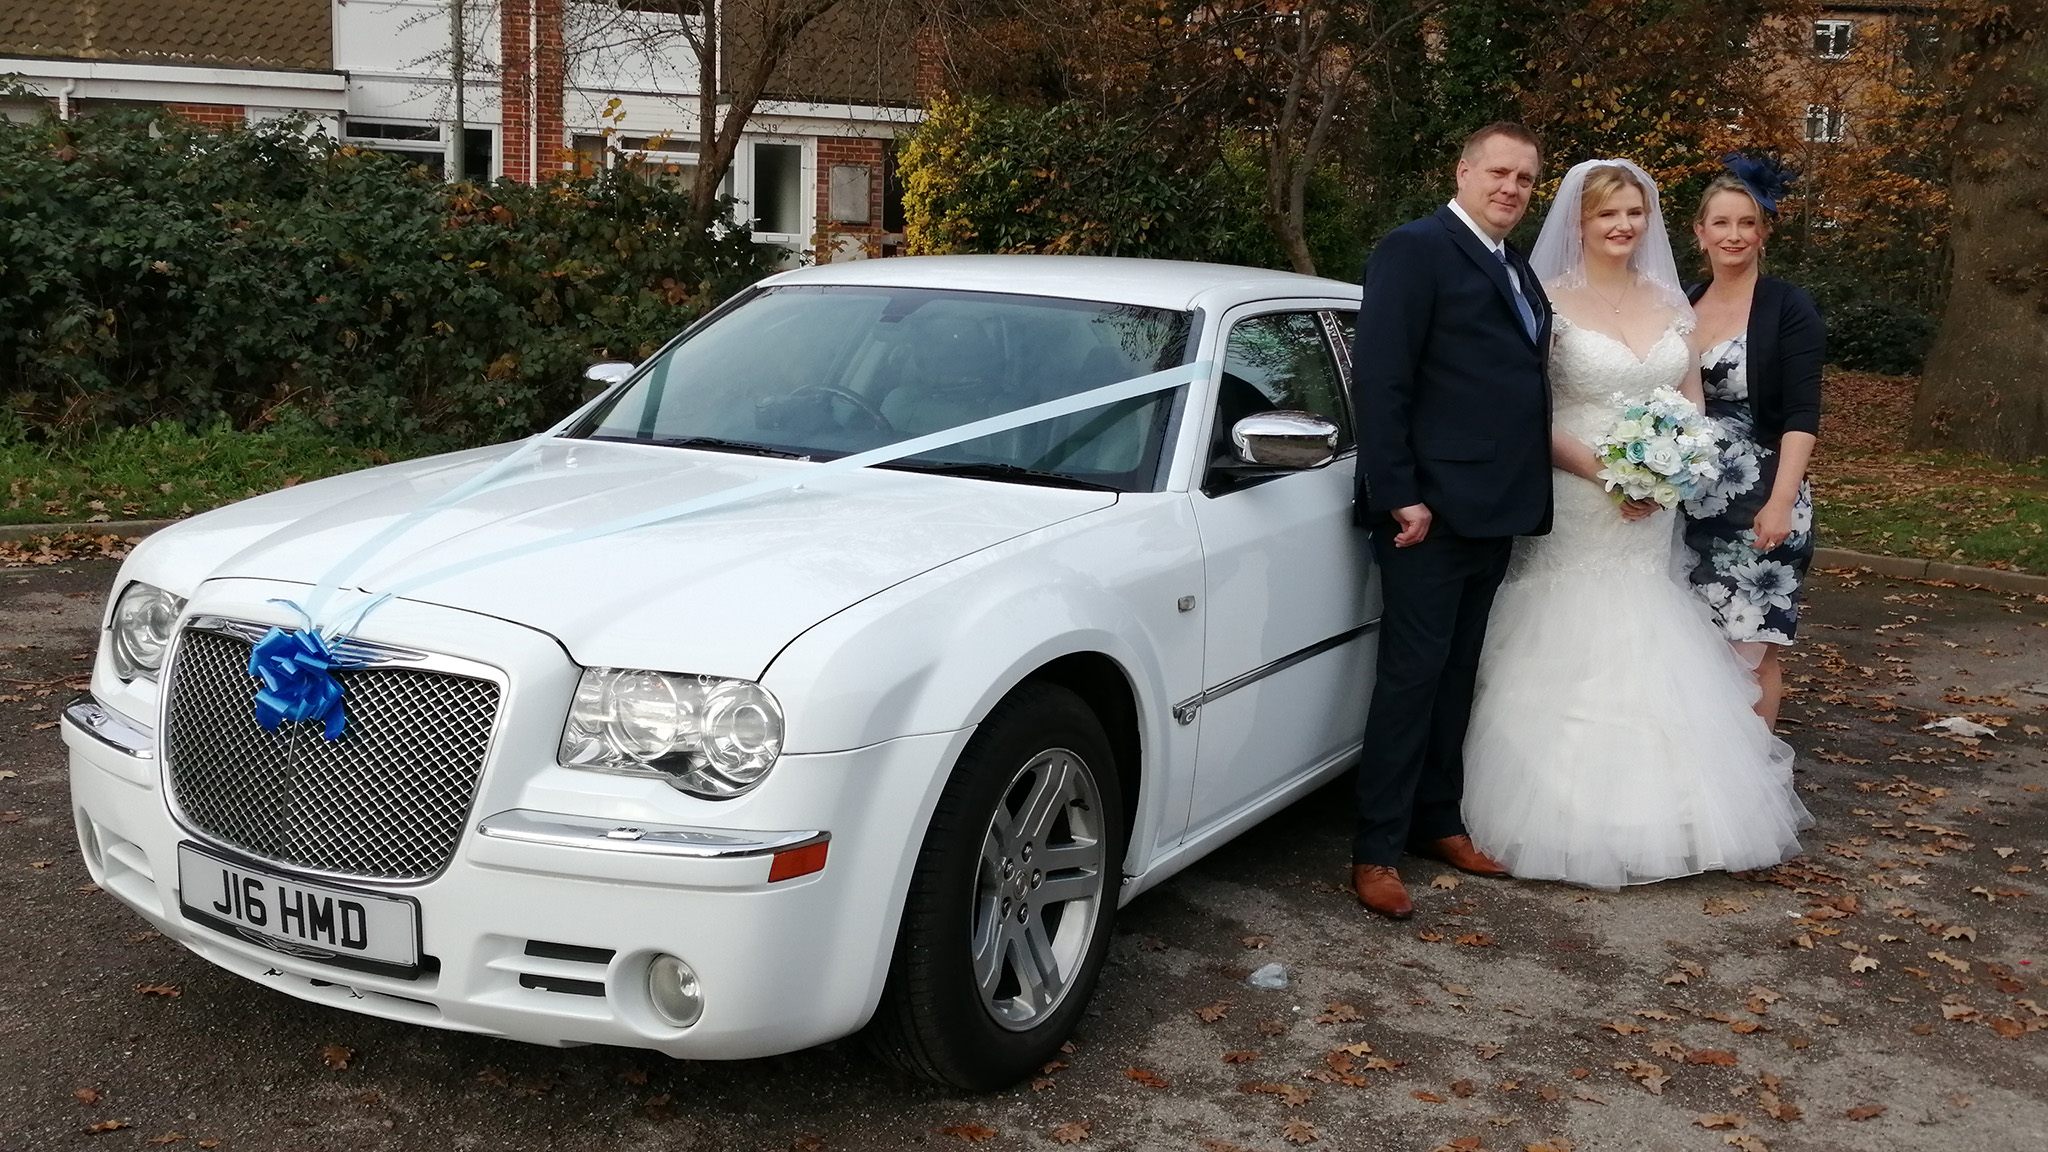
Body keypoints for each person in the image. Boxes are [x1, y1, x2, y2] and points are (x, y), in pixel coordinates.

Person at [1459, 159, 1811, 890]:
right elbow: (1533, 410)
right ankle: (1557, 813)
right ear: (1580, 223)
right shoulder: (1545, 300)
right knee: (1569, 632)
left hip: (1652, 512)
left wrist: (1671, 470)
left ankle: (1670, 814)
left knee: (1649, 631)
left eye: (1634, 213)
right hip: (1577, 495)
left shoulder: (1671, 304)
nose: (1622, 226)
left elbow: (1693, 408)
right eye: (1606, 214)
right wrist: (1607, 472)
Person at [1347, 123, 1555, 919]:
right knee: (1410, 677)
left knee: (1458, 673)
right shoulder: (1416, 248)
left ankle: (1438, 820)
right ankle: (1375, 848)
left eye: (1526, 179)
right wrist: (1399, 490)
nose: (1511, 188)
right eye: (1498, 172)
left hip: (1493, 507)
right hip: (1425, 514)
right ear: (1464, 171)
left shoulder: (1515, 267)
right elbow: (1383, 378)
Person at [1681, 163, 1824, 730]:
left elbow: (1801, 414)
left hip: (1760, 501)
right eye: (1721, 223)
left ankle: (1755, 781)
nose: (1733, 235)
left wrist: (1781, 501)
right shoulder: (1684, 301)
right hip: (1688, 500)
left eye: (1747, 223)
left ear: (1763, 232)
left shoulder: (1788, 306)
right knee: (1694, 647)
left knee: (1751, 647)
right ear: (1700, 232)